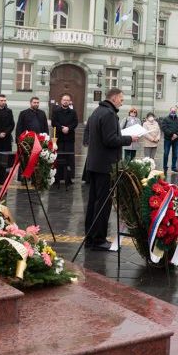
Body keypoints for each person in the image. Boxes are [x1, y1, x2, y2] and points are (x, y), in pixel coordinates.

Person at [83, 89, 136, 250]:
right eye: (121, 98)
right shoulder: (109, 114)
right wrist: (129, 139)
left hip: (95, 164)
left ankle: (90, 238)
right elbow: (110, 139)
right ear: (113, 98)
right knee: (103, 204)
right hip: (105, 166)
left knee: (94, 202)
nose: (122, 101)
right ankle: (98, 240)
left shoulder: (97, 112)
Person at [51, 94, 78, 186]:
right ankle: (56, 178)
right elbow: (53, 122)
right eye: (64, 100)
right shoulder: (56, 111)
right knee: (58, 158)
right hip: (59, 138)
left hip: (69, 138)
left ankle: (68, 178)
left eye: (67, 100)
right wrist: (61, 128)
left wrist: (68, 128)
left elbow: (75, 122)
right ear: (61, 101)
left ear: (70, 101)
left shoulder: (73, 112)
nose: (66, 101)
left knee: (69, 159)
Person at [160, 106, 178, 173]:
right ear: (170, 111)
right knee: (166, 153)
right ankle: (165, 167)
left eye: (174, 111)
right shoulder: (165, 119)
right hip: (167, 139)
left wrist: (176, 135)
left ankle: (173, 167)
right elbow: (164, 128)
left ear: (176, 111)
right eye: (172, 111)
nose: (173, 112)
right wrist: (172, 134)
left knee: (175, 154)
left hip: (176, 140)